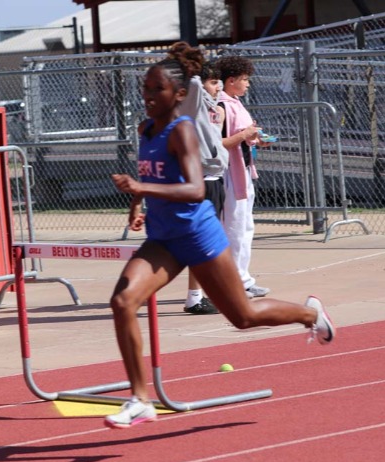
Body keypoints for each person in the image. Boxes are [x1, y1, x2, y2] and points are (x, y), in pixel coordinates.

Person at [105, 49, 335, 429]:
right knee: (123, 301)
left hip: (197, 236)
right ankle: (140, 400)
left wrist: (141, 188)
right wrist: (136, 202)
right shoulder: (146, 130)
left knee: (243, 316)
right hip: (163, 239)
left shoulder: (182, 131)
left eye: (157, 88)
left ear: (179, 94)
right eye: (145, 87)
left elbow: (195, 190)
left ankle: (311, 314)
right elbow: (151, 173)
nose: (148, 95)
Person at [175, 43, 228, 315]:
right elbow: (195, 83)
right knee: (200, 241)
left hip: (214, 178)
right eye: (213, 82)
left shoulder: (213, 106)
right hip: (202, 180)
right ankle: (195, 297)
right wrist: (195, 63)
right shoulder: (193, 101)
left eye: (219, 82)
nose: (218, 87)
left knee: (209, 240)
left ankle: (203, 292)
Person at [216, 56, 268, 299]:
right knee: (233, 228)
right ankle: (231, 283)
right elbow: (218, 143)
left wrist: (256, 139)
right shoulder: (220, 106)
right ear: (231, 80)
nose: (248, 84)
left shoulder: (235, 102)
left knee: (245, 226)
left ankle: (243, 279)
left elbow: (243, 136)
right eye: (244, 79)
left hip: (244, 170)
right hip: (229, 173)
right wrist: (245, 134)